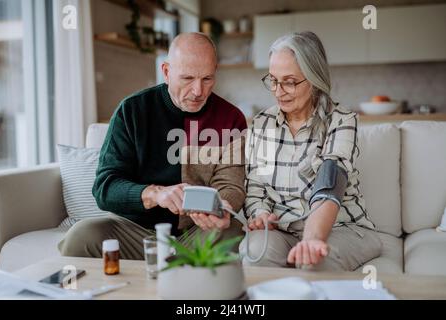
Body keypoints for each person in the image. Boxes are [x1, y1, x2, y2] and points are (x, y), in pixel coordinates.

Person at [59, 32, 247, 259]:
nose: (199, 91)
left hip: (195, 233)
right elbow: (105, 187)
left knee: (231, 232)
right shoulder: (132, 111)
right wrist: (154, 194)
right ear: (167, 72)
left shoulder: (231, 118)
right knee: (82, 236)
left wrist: (222, 208)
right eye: (187, 78)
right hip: (135, 232)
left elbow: (231, 185)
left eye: (207, 78)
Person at [240, 31, 382, 271]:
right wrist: (261, 214)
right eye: (273, 80)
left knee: (314, 262)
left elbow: (329, 186)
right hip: (283, 231)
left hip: (341, 228)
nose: (278, 91)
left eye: (290, 81)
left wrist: (312, 239)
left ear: (314, 79)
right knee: (256, 252)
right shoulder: (263, 124)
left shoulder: (340, 121)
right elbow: (255, 187)